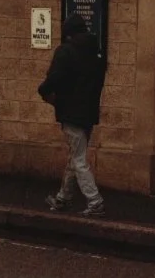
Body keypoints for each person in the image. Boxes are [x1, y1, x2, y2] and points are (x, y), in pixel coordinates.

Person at [38, 23, 108, 215]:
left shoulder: (66, 52)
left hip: (70, 111)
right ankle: (63, 199)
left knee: (78, 159)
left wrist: (43, 91)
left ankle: (95, 202)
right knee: (75, 156)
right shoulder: (96, 53)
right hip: (88, 113)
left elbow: (54, 77)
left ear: (68, 34)